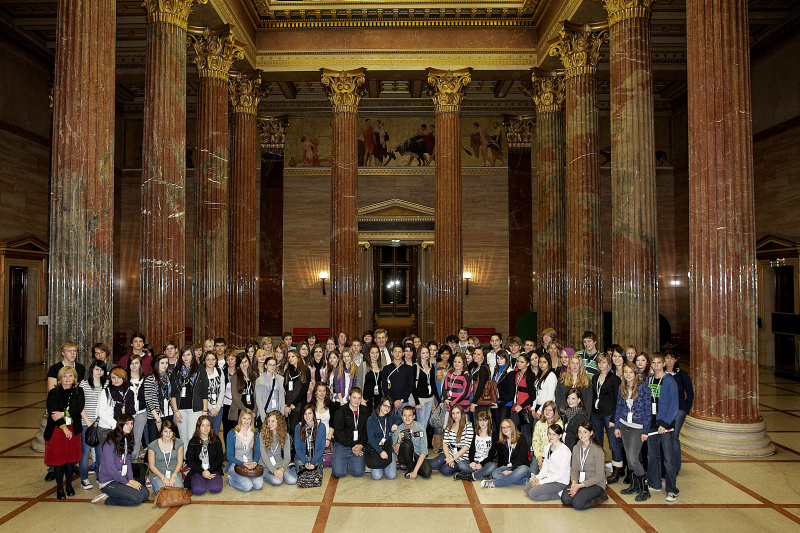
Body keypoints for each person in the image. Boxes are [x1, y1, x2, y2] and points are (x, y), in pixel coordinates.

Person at [614, 362, 652, 501]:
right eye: (625, 372)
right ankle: (634, 485)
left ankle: (645, 487)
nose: (628, 375)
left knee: (633, 458)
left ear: (636, 374)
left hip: (637, 427)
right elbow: (618, 406)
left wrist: (645, 431)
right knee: (628, 458)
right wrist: (617, 426)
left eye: (631, 372)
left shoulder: (643, 389)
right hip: (624, 425)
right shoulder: (622, 388)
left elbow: (648, 412)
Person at [45, 366, 85, 499]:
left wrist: (64, 413)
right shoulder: (53, 393)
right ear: (60, 378)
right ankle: (59, 487)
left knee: (70, 460)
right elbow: (53, 412)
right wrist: (64, 428)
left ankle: (69, 484)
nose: (68, 379)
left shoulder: (79, 391)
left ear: (75, 378)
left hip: (74, 428)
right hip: (57, 430)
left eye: (71, 376)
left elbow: (78, 408)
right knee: (59, 460)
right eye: (65, 376)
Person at [92, 414, 150, 506]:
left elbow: (127, 461)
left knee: (145, 494)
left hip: (121, 478)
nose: (130, 426)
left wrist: (131, 479)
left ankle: (119, 493)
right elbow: (111, 469)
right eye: (127, 424)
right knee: (137, 499)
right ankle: (106, 500)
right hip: (108, 481)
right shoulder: (110, 442)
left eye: (131, 423)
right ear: (120, 424)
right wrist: (127, 482)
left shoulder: (126, 438)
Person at [645, 352, 679, 502]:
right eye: (654, 363)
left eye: (659, 363)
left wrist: (664, 424)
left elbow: (674, 405)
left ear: (664, 364)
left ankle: (672, 489)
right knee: (652, 456)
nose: (656, 365)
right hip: (652, 423)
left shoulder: (670, 381)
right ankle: (655, 482)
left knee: (668, 458)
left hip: (665, 424)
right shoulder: (649, 379)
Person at [589, 353, 624, 483]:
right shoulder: (595, 377)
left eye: (604, 362)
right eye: (599, 362)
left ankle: (617, 471)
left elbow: (618, 400)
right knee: (597, 443)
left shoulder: (615, 379)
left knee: (613, 443)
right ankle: (599, 469)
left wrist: (614, 418)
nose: (601, 365)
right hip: (596, 414)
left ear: (609, 364)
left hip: (609, 414)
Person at [560, 421, 609, 510]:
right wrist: (574, 483)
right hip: (580, 481)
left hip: (596, 483)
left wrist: (580, 486)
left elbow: (599, 476)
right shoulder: (576, 448)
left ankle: (601, 497)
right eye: (580, 432)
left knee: (577, 504)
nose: (582, 435)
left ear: (591, 433)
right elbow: (574, 470)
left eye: (585, 432)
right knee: (565, 499)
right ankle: (582, 493)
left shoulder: (597, 450)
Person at [78, 360, 108, 490]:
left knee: (100, 452)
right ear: (91, 370)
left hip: (101, 424)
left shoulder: (106, 384)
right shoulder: (84, 385)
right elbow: (80, 406)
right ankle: (84, 478)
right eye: (96, 369)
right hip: (86, 423)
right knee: (85, 451)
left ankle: (100, 475)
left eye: (101, 370)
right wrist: (89, 423)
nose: (99, 372)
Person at [171, 345, 209, 441]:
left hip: (195, 408)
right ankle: (184, 456)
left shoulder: (200, 369)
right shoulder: (176, 371)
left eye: (188, 355)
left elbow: (205, 391)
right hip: (180, 409)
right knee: (183, 437)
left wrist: (204, 411)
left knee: (191, 436)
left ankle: (192, 456)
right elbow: (173, 393)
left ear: (192, 355)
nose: (186, 358)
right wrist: (175, 411)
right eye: (183, 355)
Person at [665, 349, 693, 475]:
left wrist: (686, 409)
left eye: (671, 358)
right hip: (665, 410)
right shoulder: (661, 375)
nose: (669, 361)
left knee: (674, 437)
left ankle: (676, 466)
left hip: (679, 409)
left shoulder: (682, 375)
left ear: (676, 360)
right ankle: (666, 463)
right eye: (667, 358)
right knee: (666, 437)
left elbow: (690, 393)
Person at [525, 424, 571, 501]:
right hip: (549, 478)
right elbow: (545, 466)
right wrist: (537, 478)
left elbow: (561, 474)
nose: (551, 437)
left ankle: (558, 494)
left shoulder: (565, 451)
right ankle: (545, 490)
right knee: (527, 489)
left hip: (560, 482)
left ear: (560, 436)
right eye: (549, 434)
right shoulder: (548, 447)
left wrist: (541, 482)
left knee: (532, 493)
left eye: (554, 434)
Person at [331, 388, 368, 478]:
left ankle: (350, 460)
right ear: (349, 397)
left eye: (359, 398)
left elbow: (366, 431)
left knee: (358, 473)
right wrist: (352, 445)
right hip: (342, 445)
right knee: (338, 473)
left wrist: (361, 445)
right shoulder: (341, 411)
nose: (357, 400)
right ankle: (344, 459)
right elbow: (339, 433)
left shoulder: (365, 411)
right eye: (354, 397)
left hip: (358, 444)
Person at [482, 418, 531, 488]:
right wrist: (504, 470)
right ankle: (523, 481)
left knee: (524, 469)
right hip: (507, 467)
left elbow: (521, 460)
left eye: (508, 427)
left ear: (512, 427)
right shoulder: (502, 442)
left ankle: (494, 483)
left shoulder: (521, 439)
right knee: (495, 473)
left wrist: (511, 471)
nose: (505, 429)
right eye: (503, 428)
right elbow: (501, 460)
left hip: (519, 468)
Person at [225, 408, 264, 492]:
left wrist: (254, 462)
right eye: (244, 418)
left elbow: (257, 452)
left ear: (252, 419)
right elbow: (229, 456)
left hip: (251, 465)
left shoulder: (255, 433)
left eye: (249, 418)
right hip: (236, 465)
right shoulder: (232, 433)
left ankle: (245, 478)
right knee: (248, 486)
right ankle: (231, 480)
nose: (246, 421)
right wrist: (242, 463)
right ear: (240, 419)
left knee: (258, 485)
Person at [185, 415, 224, 495]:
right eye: (203, 425)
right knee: (198, 490)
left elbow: (220, 458)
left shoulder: (216, 440)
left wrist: (209, 471)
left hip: (213, 469)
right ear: (198, 427)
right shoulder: (193, 441)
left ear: (211, 427)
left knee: (216, 488)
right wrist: (202, 472)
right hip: (198, 470)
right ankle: (200, 480)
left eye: (208, 425)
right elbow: (190, 460)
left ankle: (209, 480)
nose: (206, 428)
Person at [430, 404, 473, 476]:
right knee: (433, 464)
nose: (455, 416)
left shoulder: (468, 426)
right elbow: (445, 443)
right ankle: (416, 462)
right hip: (449, 453)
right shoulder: (450, 426)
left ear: (462, 413)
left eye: (457, 413)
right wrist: (448, 457)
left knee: (445, 470)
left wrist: (452, 459)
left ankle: (446, 465)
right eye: (453, 413)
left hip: (461, 457)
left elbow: (466, 446)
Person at [455, 410, 496, 481]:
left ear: (489, 421)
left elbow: (491, 455)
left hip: (485, 463)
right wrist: (472, 462)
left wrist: (481, 464)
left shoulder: (494, 435)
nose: (482, 423)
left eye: (485, 420)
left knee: (493, 466)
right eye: (480, 420)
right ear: (477, 422)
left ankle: (470, 475)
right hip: (475, 461)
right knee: (460, 464)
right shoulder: (475, 433)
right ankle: (481, 473)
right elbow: (471, 450)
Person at [392, 405, 433, 479]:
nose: (407, 418)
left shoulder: (420, 428)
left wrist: (415, 471)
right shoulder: (399, 429)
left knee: (427, 473)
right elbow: (395, 451)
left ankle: (411, 467)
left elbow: (423, 452)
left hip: (417, 455)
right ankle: (409, 468)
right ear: (402, 417)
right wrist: (398, 441)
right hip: (404, 456)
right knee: (407, 443)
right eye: (405, 415)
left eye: (410, 415)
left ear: (414, 417)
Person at [366, 396, 400, 480]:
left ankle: (385, 465)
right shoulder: (371, 419)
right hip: (376, 449)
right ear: (380, 405)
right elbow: (371, 439)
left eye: (389, 407)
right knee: (377, 476)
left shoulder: (389, 417)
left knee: (391, 476)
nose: (387, 408)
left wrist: (396, 424)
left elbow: (400, 419)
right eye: (385, 405)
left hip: (387, 448)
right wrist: (381, 452)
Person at [144, 354, 174, 449]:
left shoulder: (169, 378)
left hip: (168, 413)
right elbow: (149, 401)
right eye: (162, 363)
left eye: (166, 363)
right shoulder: (149, 379)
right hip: (155, 416)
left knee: (167, 440)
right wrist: (157, 419)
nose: (165, 365)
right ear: (157, 364)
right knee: (154, 443)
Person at [147, 419, 184, 494]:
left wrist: (174, 476)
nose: (168, 434)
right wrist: (163, 478)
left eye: (170, 431)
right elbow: (151, 466)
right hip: (158, 476)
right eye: (165, 431)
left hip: (175, 474)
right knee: (165, 494)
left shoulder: (179, 443)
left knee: (178, 493)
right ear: (161, 432)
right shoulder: (152, 446)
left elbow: (180, 462)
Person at [228, 352, 257, 437]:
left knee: (251, 435)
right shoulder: (235, 376)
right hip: (239, 409)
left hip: (252, 408)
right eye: (241, 362)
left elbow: (257, 394)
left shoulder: (254, 375)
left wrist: (254, 411)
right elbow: (235, 396)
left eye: (245, 361)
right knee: (240, 435)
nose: (244, 364)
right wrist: (245, 411)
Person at [530, 400, 563, 475]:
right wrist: (538, 457)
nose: (547, 412)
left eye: (550, 410)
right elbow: (535, 442)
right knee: (532, 475)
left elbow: (555, 444)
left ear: (554, 412)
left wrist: (546, 461)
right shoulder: (539, 423)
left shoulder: (558, 424)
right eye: (545, 409)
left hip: (553, 456)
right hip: (540, 454)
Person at [381, 345, 415, 415]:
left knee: (404, 423)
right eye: (395, 351)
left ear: (403, 353)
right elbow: (384, 386)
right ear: (391, 353)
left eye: (399, 352)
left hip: (404, 401)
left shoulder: (408, 368)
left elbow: (411, 386)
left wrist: (401, 400)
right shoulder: (386, 368)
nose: (397, 354)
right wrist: (393, 401)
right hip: (390, 402)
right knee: (390, 423)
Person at [412, 344, 440, 430]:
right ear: (420, 354)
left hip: (429, 398)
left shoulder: (431, 366)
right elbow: (413, 387)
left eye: (427, 352)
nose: (426, 354)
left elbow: (433, 384)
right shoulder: (415, 367)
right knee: (421, 423)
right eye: (423, 353)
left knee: (426, 423)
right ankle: (419, 443)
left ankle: (423, 442)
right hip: (421, 399)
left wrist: (439, 400)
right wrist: (417, 402)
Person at [284, 350, 310, 437]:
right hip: (288, 406)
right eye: (289, 357)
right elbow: (285, 389)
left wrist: (293, 403)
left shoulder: (305, 370)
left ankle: (298, 450)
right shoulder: (287, 372)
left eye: (292, 356)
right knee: (289, 429)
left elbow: (304, 390)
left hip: (298, 405)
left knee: (295, 428)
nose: (290, 359)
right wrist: (286, 405)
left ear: (298, 357)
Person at [126, 354, 147, 459]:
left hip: (141, 414)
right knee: (126, 441)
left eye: (136, 363)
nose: (134, 365)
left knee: (136, 441)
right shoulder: (124, 380)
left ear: (140, 364)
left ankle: (133, 466)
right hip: (127, 415)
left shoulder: (146, 379)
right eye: (131, 363)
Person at [509, 352, 536, 439]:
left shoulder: (530, 375)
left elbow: (532, 395)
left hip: (524, 407)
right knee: (511, 427)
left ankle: (527, 451)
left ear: (527, 364)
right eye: (518, 361)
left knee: (525, 431)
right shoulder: (517, 374)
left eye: (522, 362)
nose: (518, 364)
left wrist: (522, 406)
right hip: (516, 404)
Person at [255, 356, 285, 429]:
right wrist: (263, 417)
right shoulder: (260, 380)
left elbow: (282, 396)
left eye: (274, 365)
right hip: (266, 411)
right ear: (265, 366)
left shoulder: (280, 379)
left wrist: (282, 413)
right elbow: (258, 400)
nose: (272, 367)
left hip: (277, 411)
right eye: (270, 365)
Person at [295, 405, 326, 474]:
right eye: (305, 414)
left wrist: (313, 462)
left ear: (313, 414)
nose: (307, 416)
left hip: (316, 458)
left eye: (309, 413)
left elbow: (321, 448)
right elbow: (297, 448)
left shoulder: (321, 427)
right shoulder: (298, 427)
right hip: (302, 459)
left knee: (316, 474)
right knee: (302, 473)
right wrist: (305, 462)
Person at [442, 353, 472, 423]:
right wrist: (446, 399)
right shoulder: (449, 373)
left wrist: (452, 403)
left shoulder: (466, 375)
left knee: (461, 430)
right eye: (455, 361)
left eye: (459, 362)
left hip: (462, 408)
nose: (456, 364)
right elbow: (444, 388)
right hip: (449, 408)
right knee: (448, 428)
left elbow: (466, 393)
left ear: (463, 363)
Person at [531, 354, 557, 425]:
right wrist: (533, 408)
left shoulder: (551, 376)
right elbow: (536, 393)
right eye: (540, 362)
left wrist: (540, 411)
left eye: (544, 362)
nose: (541, 364)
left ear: (549, 363)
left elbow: (550, 396)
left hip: (547, 409)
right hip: (538, 406)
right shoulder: (539, 375)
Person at [202, 351, 225, 435]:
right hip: (206, 408)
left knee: (215, 433)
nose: (211, 361)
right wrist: (210, 408)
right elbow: (202, 393)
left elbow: (222, 390)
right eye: (208, 359)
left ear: (216, 360)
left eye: (213, 359)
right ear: (204, 361)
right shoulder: (202, 373)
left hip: (218, 409)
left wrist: (217, 408)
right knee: (205, 433)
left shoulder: (219, 371)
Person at [357, 343, 383, 414]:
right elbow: (359, 383)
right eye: (372, 353)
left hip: (379, 400)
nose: (375, 355)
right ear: (369, 354)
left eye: (377, 352)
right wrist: (361, 398)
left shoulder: (382, 366)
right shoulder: (363, 365)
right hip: (366, 400)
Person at [492, 351, 515, 432]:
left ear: (506, 359)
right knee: (497, 428)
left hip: (505, 403)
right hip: (495, 402)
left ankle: (504, 444)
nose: (499, 360)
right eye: (497, 358)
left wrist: (500, 404)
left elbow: (511, 392)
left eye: (501, 358)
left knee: (503, 428)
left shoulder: (510, 372)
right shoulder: (496, 370)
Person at [468, 346, 491, 417]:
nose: (475, 356)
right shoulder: (476, 367)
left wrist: (474, 402)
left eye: (478, 354)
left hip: (481, 401)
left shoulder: (483, 368)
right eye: (474, 353)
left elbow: (481, 386)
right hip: (477, 400)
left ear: (483, 356)